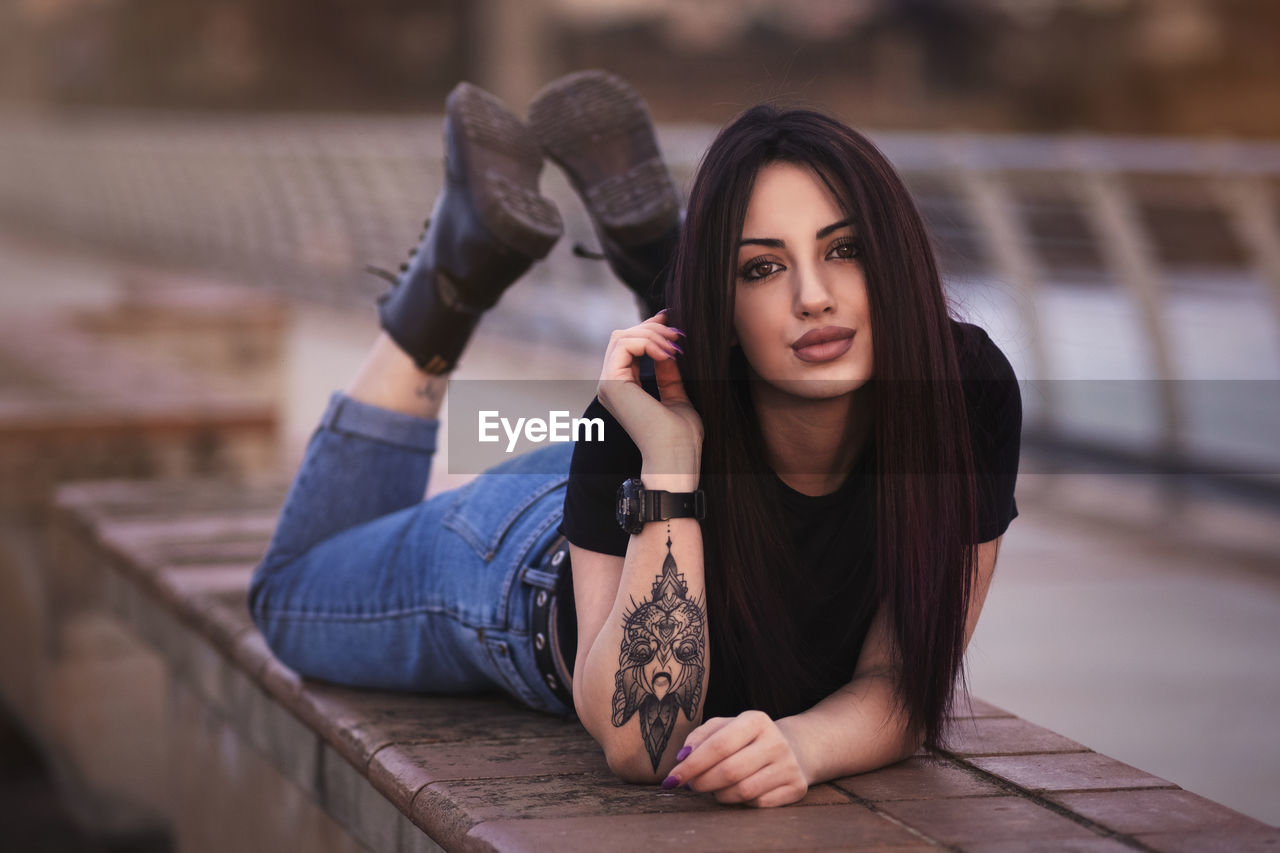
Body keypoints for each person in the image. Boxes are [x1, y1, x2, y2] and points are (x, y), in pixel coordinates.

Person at [249, 70, 1022, 810]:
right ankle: (450, 281)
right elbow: (645, 747)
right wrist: (671, 461)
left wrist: (801, 746)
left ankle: (668, 259)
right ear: (728, 302)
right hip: (532, 558)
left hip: (651, 458)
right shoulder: (643, 408)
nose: (814, 297)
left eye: (844, 250)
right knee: (288, 596)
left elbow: (904, 679)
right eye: (761, 267)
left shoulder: (966, 394)